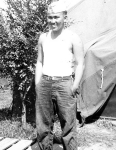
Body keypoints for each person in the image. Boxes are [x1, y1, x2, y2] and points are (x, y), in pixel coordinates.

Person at [35, 1, 85, 150]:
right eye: (50, 17)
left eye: (56, 17)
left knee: (68, 124)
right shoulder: (43, 37)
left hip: (65, 83)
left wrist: (74, 85)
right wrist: (38, 84)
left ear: (65, 16)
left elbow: (80, 63)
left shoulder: (73, 38)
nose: (52, 21)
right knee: (43, 124)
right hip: (45, 82)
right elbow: (39, 62)